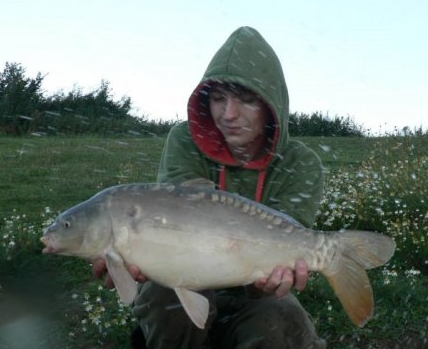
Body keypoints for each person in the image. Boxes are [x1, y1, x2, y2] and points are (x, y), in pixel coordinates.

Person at [93, 26, 326, 349]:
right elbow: (169, 230)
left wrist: (271, 280)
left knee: (283, 320)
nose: (228, 114)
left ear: (272, 105)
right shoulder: (185, 140)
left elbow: (283, 248)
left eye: (246, 100)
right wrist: (134, 258)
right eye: (218, 99)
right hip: (187, 278)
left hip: (255, 292)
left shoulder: (301, 162)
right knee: (165, 299)